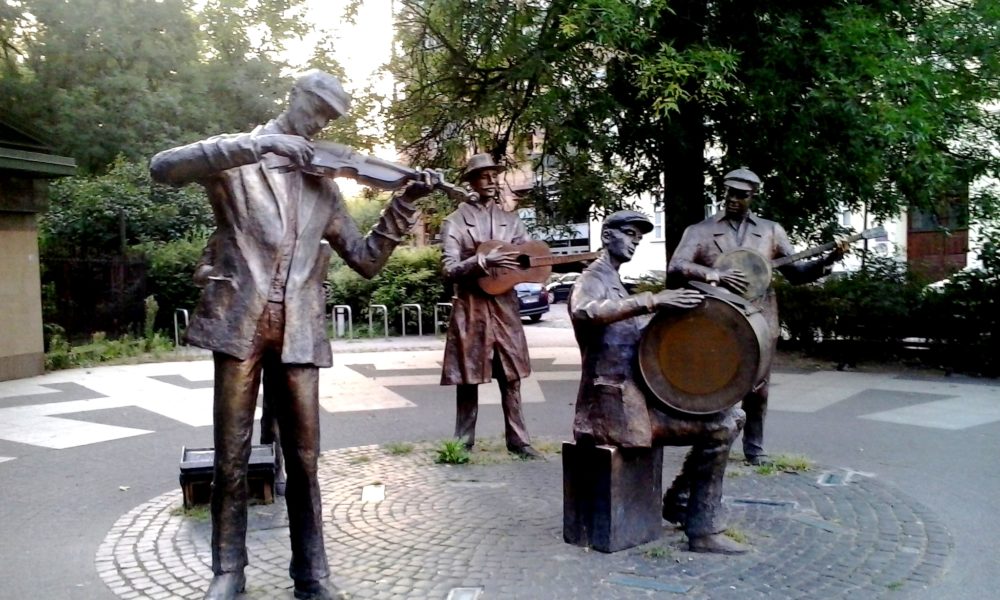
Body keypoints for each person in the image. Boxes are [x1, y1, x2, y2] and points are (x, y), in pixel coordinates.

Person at [150, 70, 433, 600]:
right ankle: (228, 570)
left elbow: (367, 260)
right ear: (295, 97)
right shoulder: (238, 160)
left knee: (304, 461)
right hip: (240, 324)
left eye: (330, 117)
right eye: (317, 109)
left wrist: (404, 202)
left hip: (299, 331)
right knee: (231, 456)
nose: (321, 123)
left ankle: (311, 573)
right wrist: (257, 145)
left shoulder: (324, 188)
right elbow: (163, 167)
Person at [569, 210, 748, 554]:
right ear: (607, 236)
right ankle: (702, 529)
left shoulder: (615, 282)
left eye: (638, 237)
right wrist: (652, 300)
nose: (634, 242)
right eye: (629, 234)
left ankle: (680, 500)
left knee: (733, 414)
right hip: (612, 409)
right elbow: (585, 310)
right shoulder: (591, 278)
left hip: (637, 399)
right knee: (722, 426)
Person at [668, 167, 843, 466]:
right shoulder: (700, 231)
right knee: (715, 385)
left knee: (759, 389)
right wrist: (714, 274)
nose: (733, 200)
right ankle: (710, 444)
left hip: (760, 319)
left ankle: (755, 448)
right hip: (717, 319)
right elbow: (676, 267)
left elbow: (796, 273)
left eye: (741, 195)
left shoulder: (771, 231)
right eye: (729, 193)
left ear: (753, 197)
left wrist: (828, 260)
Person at [439, 153, 541, 459]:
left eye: (494, 175)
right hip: (471, 308)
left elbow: (528, 258)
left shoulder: (512, 221)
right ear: (471, 181)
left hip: (505, 307)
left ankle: (519, 441)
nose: (491, 180)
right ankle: (462, 442)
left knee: (511, 376)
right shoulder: (455, 222)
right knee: (468, 377)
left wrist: (529, 268)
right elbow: (448, 268)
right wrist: (482, 261)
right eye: (484, 176)